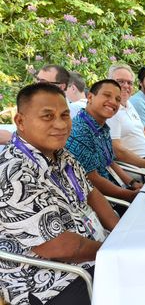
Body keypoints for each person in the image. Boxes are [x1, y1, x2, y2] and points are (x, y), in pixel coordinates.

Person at [0, 83, 119, 305]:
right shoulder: (12, 174)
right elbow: (56, 246)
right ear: (20, 121)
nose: (61, 124)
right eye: (47, 116)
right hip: (51, 280)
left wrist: (121, 233)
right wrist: (114, 252)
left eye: (65, 115)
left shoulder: (62, 155)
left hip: (93, 255)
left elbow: (92, 193)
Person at [66, 80, 142, 203]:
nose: (113, 102)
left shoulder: (102, 127)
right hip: (103, 201)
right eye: (107, 95)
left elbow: (110, 162)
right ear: (90, 97)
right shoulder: (80, 131)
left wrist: (132, 183)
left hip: (118, 189)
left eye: (117, 99)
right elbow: (92, 179)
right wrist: (129, 195)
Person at [106, 64, 145, 169]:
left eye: (129, 83)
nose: (126, 86)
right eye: (121, 82)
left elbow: (143, 132)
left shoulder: (129, 104)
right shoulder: (110, 110)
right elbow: (117, 150)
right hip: (135, 168)